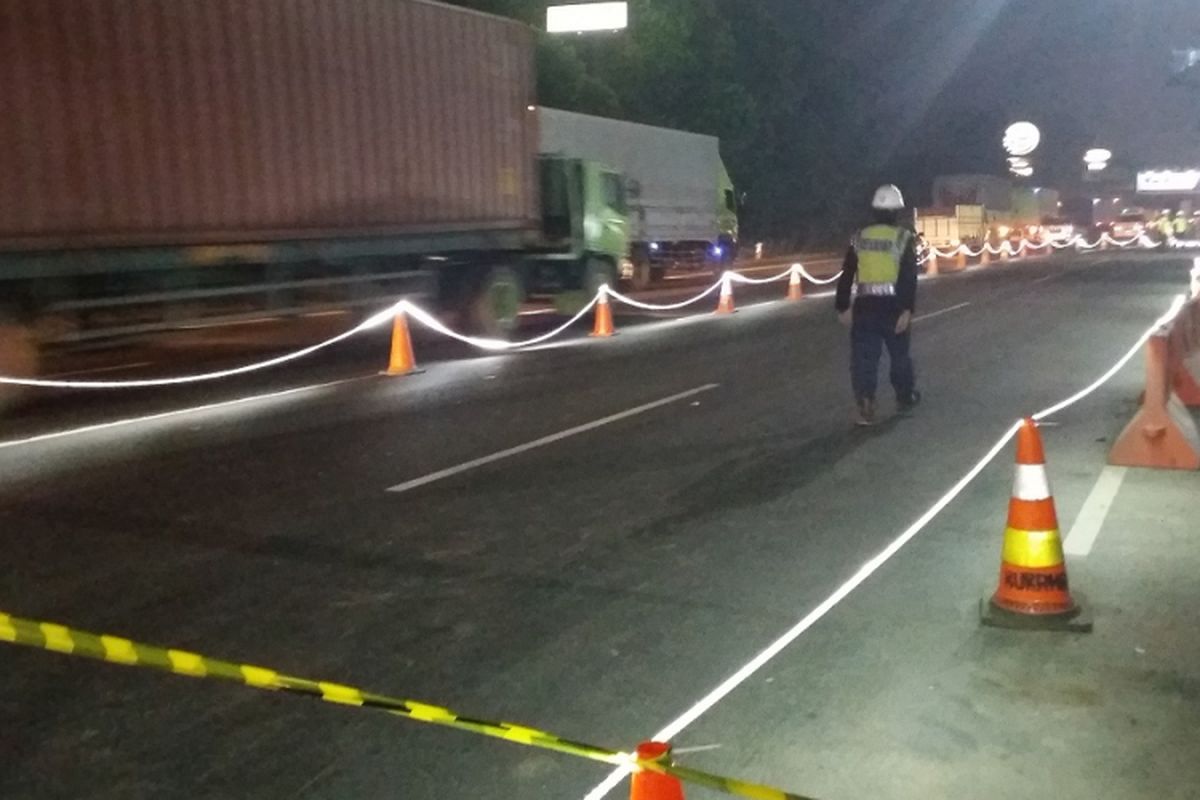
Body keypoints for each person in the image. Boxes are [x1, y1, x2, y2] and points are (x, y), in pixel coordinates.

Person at [835, 184, 920, 426]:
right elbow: (908, 276)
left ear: (874, 210)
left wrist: (843, 306)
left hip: (865, 307)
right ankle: (904, 397)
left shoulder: (860, 237)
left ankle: (865, 403)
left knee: (863, 360)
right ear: (897, 211)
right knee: (900, 357)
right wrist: (907, 309)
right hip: (893, 307)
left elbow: (847, 273)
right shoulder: (903, 238)